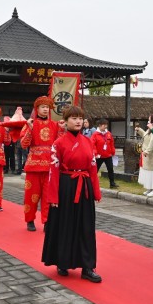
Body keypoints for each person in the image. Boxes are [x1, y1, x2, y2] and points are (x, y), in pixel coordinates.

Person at [42, 105, 102, 283]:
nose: (78, 121)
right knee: (65, 224)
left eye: (80, 118)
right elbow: (53, 171)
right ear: (66, 121)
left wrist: (96, 192)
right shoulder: (58, 143)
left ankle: (87, 267)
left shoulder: (88, 141)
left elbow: (92, 168)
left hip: (84, 187)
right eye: (74, 118)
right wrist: (53, 197)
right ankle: (62, 261)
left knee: (86, 227)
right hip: (66, 187)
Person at [20, 96, 64, 231]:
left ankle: (47, 221)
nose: (45, 109)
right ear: (37, 109)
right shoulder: (30, 123)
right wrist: (30, 128)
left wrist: (62, 130)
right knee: (31, 195)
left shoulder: (55, 125)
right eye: (42, 107)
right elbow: (23, 144)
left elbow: (60, 145)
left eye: (47, 107)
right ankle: (30, 220)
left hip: (50, 165)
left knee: (47, 196)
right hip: (33, 165)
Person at [135, 115, 153, 197]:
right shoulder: (149, 130)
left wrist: (147, 151)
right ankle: (150, 188)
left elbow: (152, 143)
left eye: (149, 120)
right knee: (148, 171)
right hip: (147, 155)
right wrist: (139, 130)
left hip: (152, 155)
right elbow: (145, 136)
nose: (148, 122)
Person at [91, 118, 119, 189]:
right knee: (95, 170)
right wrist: (95, 154)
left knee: (110, 169)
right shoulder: (95, 135)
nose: (105, 126)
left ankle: (112, 183)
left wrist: (113, 152)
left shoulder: (108, 134)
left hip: (108, 155)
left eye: (106, 125)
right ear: (100, 125)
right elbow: (92, 145)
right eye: (104, 125)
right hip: (99, 156)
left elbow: (112, 143)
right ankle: (91, 183)